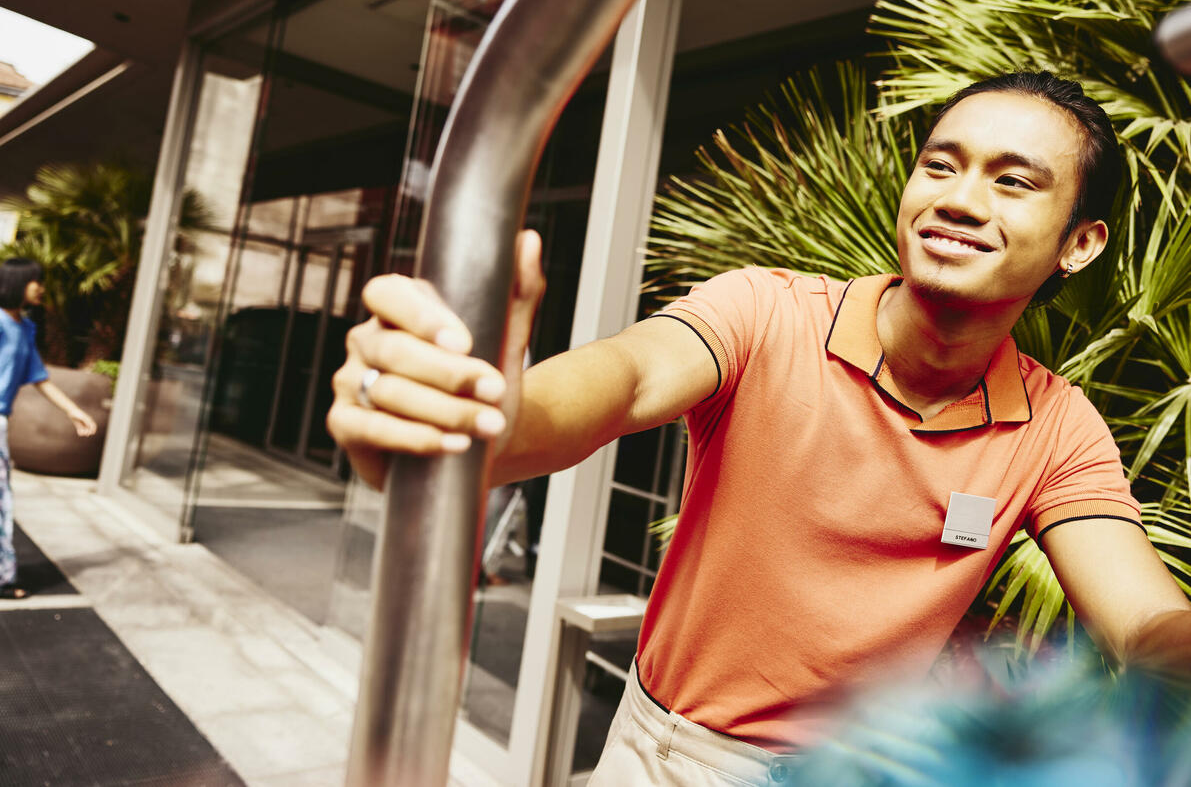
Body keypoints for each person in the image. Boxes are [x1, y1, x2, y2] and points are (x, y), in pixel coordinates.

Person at [327, 72, 1191, 783]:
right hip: (660, 754)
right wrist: (484, 413)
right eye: (939, 165)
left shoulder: (1057, 427)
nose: (958, 199)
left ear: (1078, 244)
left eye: (1011, 181)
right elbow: (623, 381)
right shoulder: (765, 311)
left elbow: (1143, 622)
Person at [0, 258, 98, 599]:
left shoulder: (25, 327)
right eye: (34, 281)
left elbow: (39, 377)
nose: (40, 287)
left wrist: (74, 412)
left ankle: (3, 576)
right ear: (16, 282)